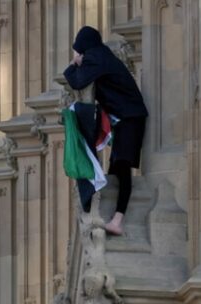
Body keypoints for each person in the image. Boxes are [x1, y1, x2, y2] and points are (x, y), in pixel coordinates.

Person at [63, 26, 148, 236]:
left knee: (122, 166)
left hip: (130, 118)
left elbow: (77, 80)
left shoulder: (96, 57)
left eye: (77, 48)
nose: (76, 52)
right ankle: (112, 216)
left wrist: (73, 65)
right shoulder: (101, 55)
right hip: (128, 117)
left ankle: (118, 220)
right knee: (116, 169)